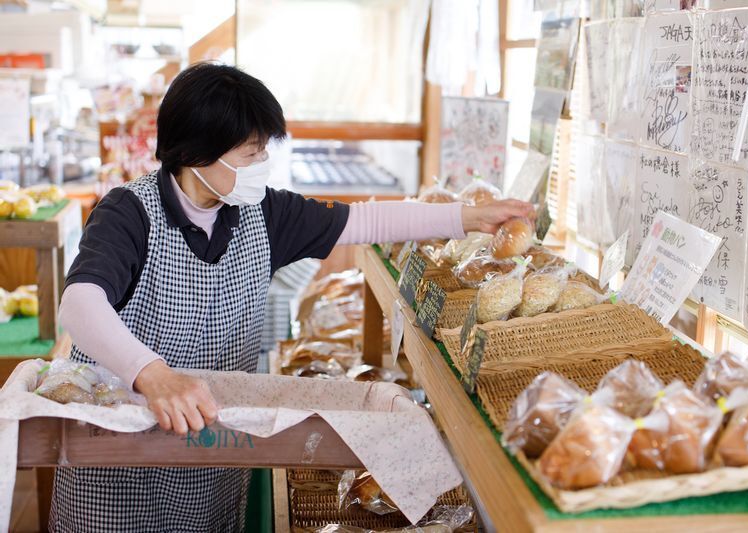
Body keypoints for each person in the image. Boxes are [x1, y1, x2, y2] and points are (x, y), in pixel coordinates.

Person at [52, 62, 534, 532]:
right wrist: (153, 375)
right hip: (118, 459)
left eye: (263, 152)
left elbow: (364, 221)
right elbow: (81, 302)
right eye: (249, 153)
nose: (262, 165)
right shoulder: (129, 213)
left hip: (211, 451)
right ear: (198, 156)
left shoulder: (262, 214)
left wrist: (470, 218)